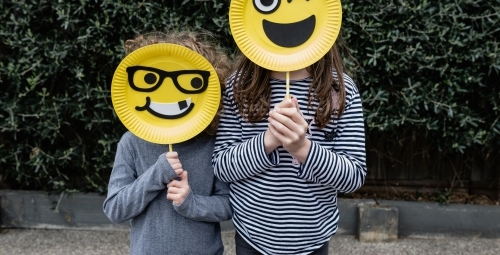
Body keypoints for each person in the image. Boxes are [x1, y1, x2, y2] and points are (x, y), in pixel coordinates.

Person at [212, 35, 366, 255]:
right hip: (253, 238)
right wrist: (269, 140)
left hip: (313, 239)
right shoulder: (239, 85)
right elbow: (222, 167)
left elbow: (353, 177)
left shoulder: (340, 89)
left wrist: (303, 149)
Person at [103, 31, 233, 255]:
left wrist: (191, 202)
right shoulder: (131, 143)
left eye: (191, 82)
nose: (169, 93)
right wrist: (156, 175)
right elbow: (115, 209)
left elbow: (228, 205)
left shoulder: (212, 143)